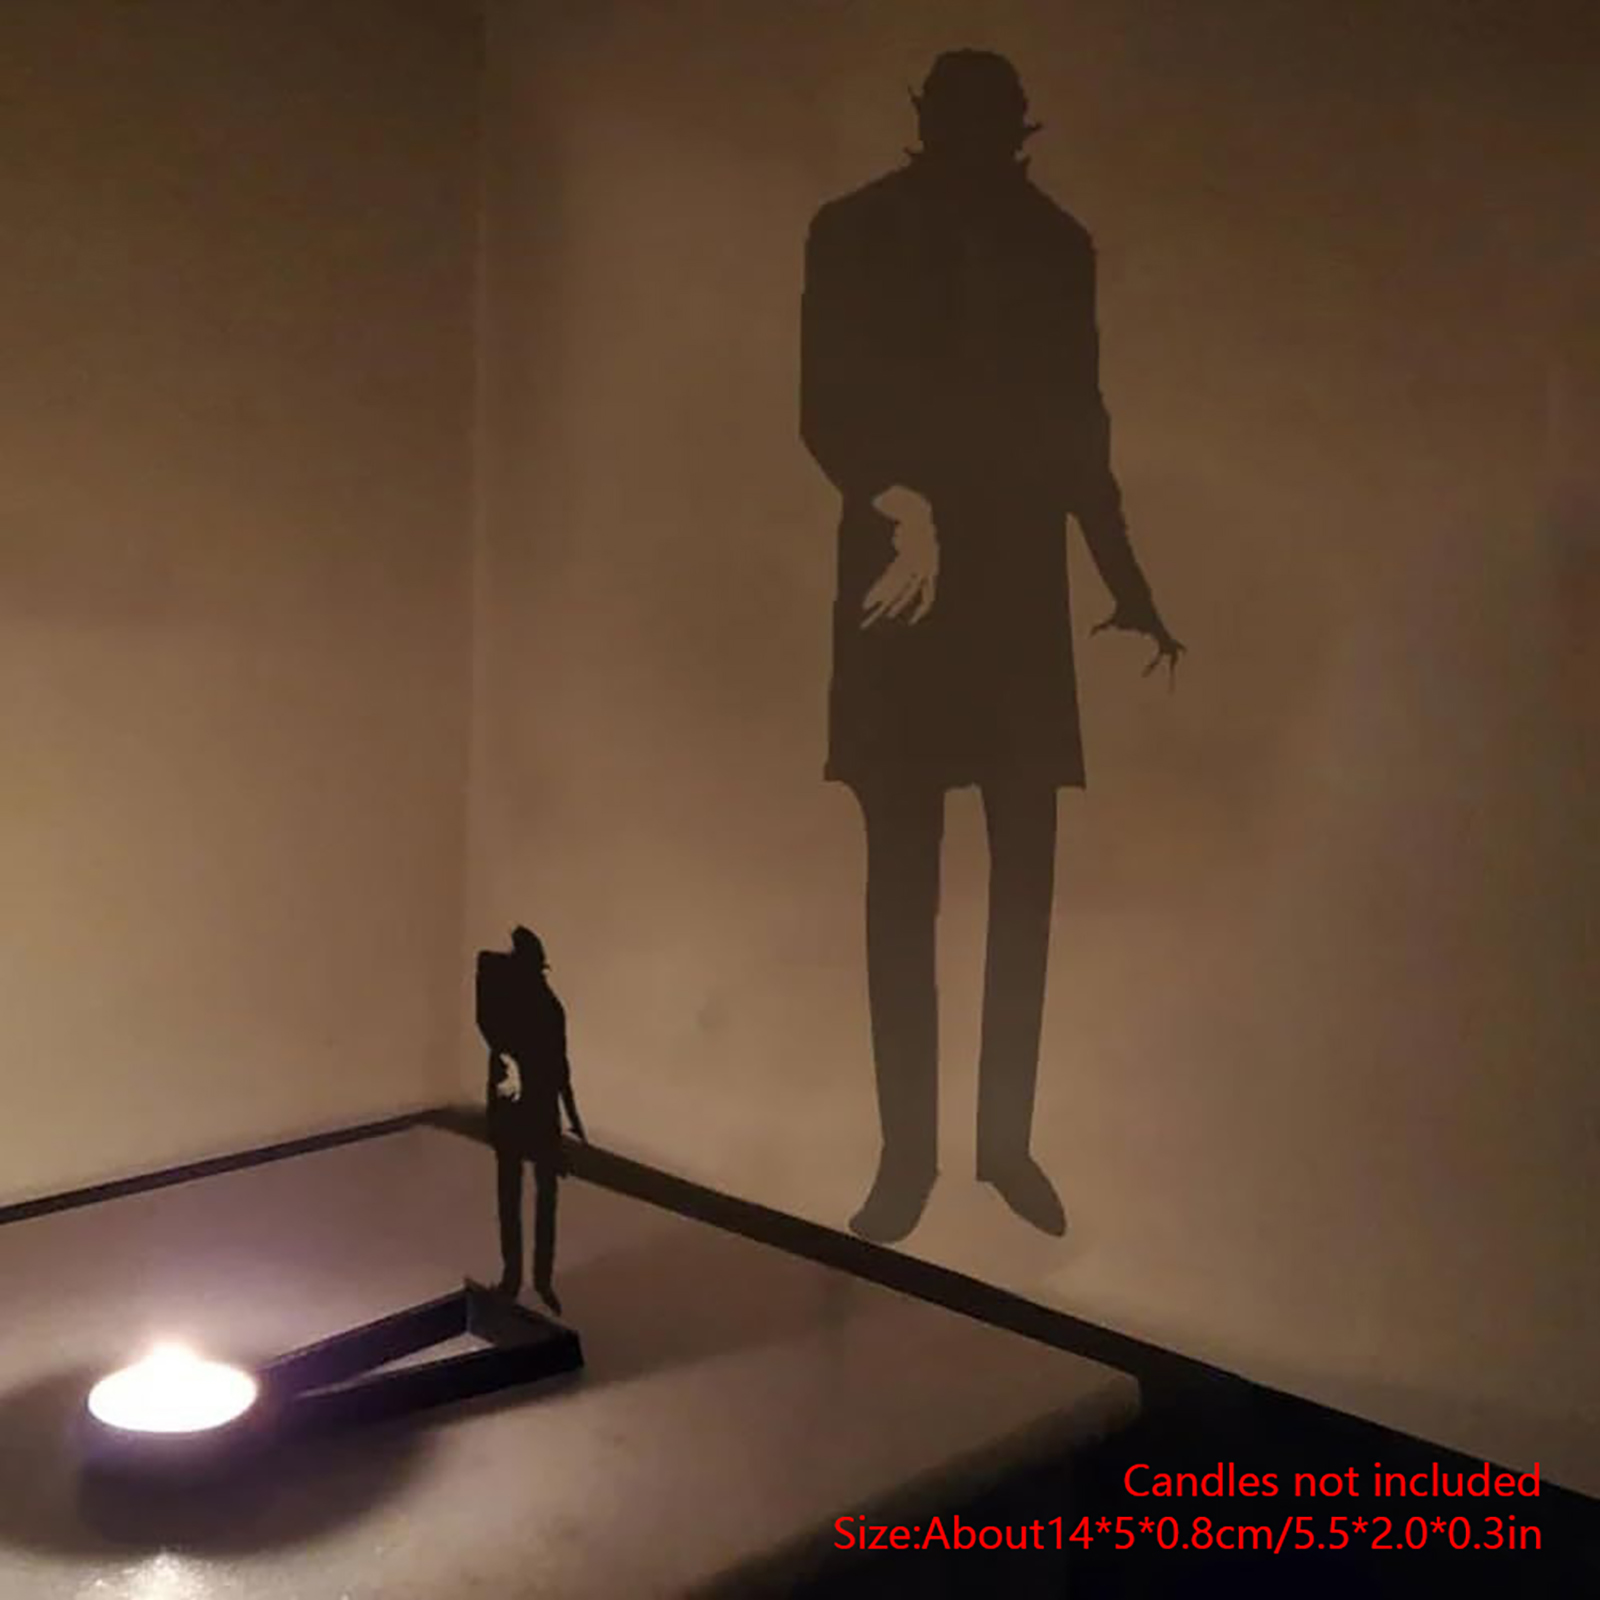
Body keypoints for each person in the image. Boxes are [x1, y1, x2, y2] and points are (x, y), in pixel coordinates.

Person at [800, 50, 1183, 1243]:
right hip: (904, 584)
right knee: (904, 880)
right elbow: (827, 403)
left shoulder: (1054, 246)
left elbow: (1078, 428)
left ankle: (1001, 1146)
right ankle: (908, 1156)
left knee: (1019, 879)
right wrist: (899, 500)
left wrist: (1123, 576)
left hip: (1011, 588)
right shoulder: (854, 231)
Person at [475, 926, 586, 1313]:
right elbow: (485, 965)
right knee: (516, 1193)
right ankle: (519, 1277)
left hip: (537, 1109)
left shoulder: (546, 1008)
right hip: (522, 1109)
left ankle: (537, 1278)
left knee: (537, 1194)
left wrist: (571, 1113)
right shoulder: (508, 1002)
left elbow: (560, 1066)